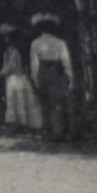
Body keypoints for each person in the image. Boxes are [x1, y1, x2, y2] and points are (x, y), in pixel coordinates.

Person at [29, 13, 75, 143]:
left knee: (45, 102)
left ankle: (48, 132)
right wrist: (70, 76)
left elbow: (34, 63)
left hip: (43, 72)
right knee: (58, 102)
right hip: (56, 72)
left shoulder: (35, 43)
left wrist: (35, 78)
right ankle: (58, 132)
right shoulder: (60, 43)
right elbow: (66, 61)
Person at [0, 23, 41, 132]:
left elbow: (13, 65)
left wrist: (3, 71)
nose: (5, 39)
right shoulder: (9, 50)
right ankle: (17, 123)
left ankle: (23, 123)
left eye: (7, 36)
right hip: (11, 77)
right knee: (14, 100)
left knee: (19, 99)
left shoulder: (15, 51)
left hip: (17, 77)